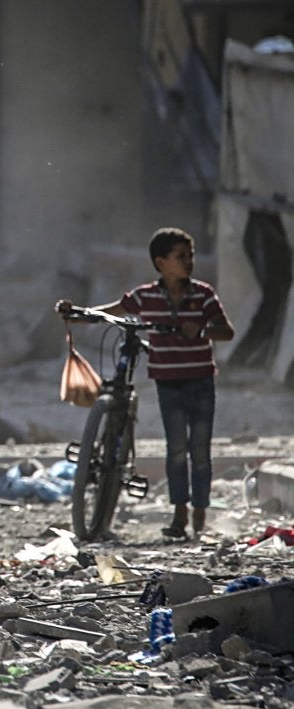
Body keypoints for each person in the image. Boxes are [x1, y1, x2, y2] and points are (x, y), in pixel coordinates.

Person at [56, 227, 234, 540]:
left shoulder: (203, 294)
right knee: (177, 450)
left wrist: (202, 332)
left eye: (190, 256)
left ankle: (200, 516)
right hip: (168, 382)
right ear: (161, 262)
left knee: (200, 451)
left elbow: (227, 331)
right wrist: (80, 314)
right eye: (181, 256)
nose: (189, 261)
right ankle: (179, 516)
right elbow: (112, 311)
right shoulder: (145, 296)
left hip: (201, 381)